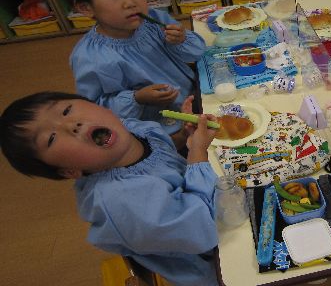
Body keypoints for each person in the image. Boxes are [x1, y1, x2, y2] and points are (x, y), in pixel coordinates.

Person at [0, 92, 220, 286]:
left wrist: (185, 136)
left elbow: (163, 151)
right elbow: (205, 228)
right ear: (69, 171)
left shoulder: (130, 130)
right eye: (51, 138)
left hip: (212, 200)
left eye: (66, 110)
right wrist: (197, 152)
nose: (71, 125)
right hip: (213, 259)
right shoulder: (120, 201)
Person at [66, 0, 207, 150]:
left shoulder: (154, 20)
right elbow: (95, 109)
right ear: (86, 8)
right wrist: (137, 98)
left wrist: (181, 40)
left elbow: (197, 53)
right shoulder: (90, 57)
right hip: (161, 127)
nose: (131, 2)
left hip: (195, 96)